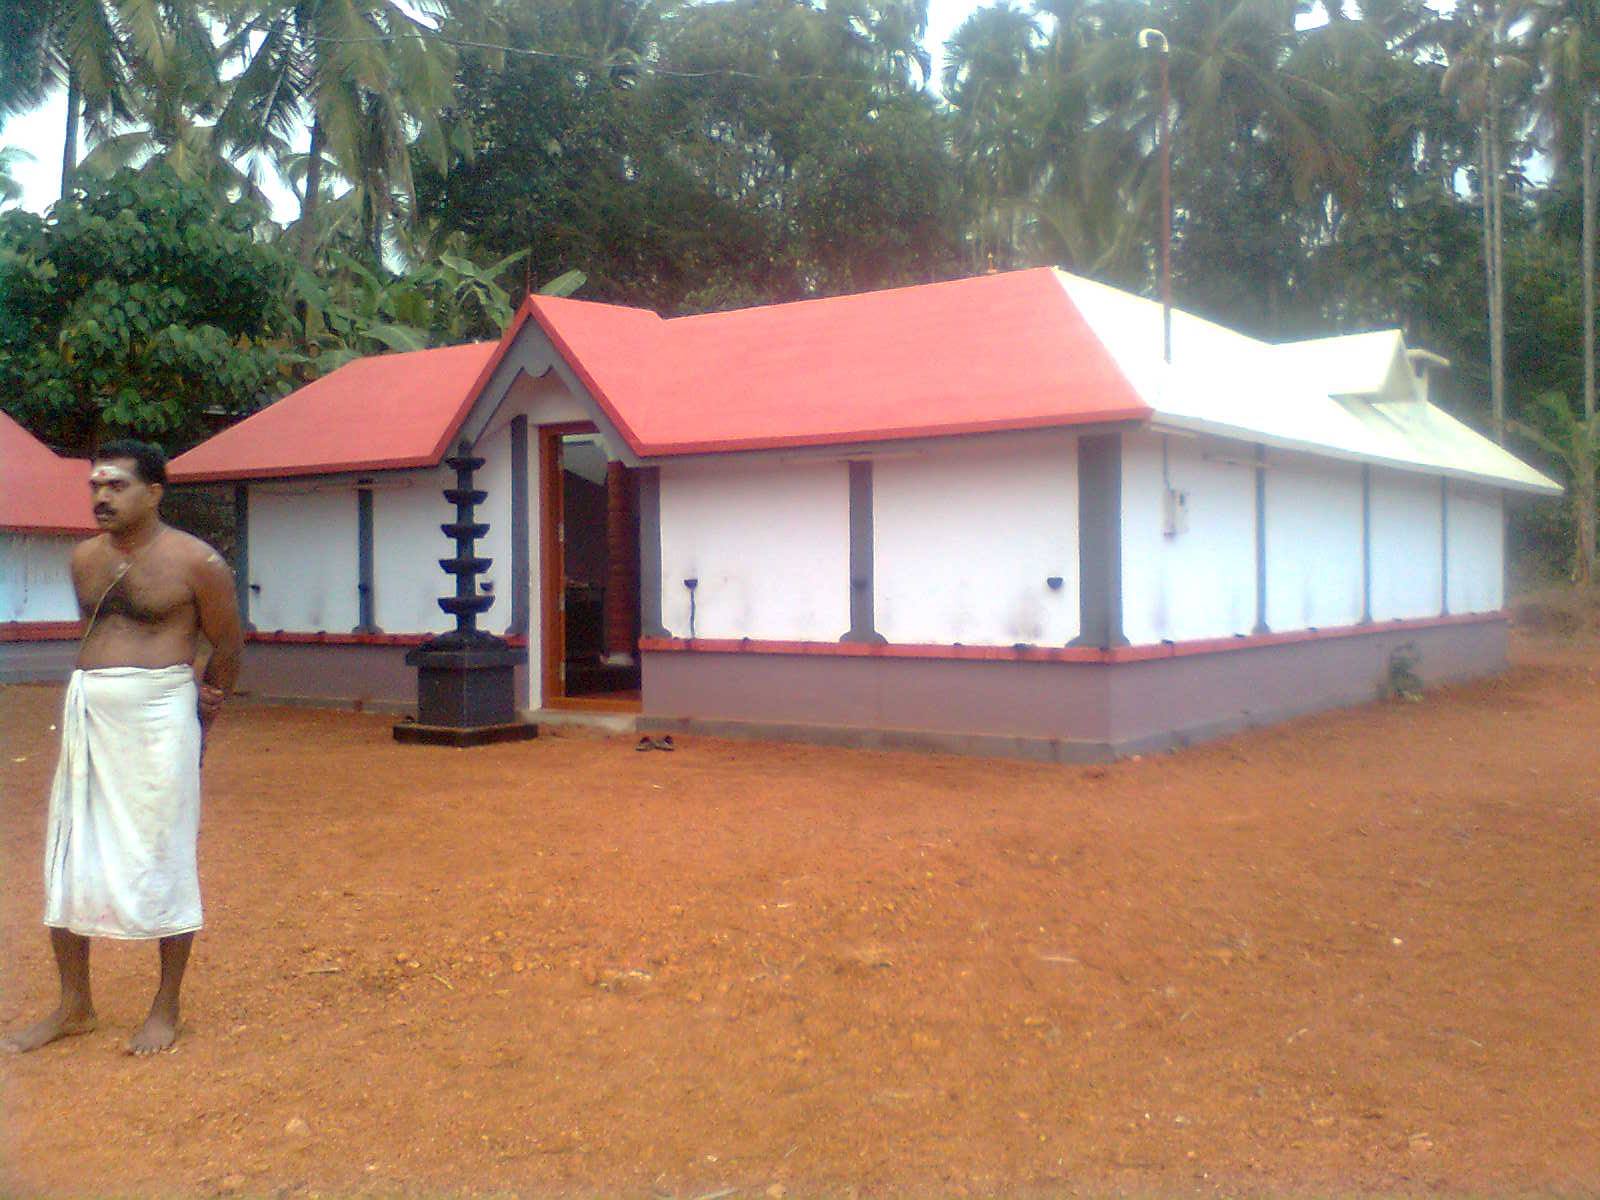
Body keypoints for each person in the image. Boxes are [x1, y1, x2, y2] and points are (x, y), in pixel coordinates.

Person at [2, 439, 242, 1056]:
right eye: (96, 486)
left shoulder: (199, 563)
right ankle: (74, 1005)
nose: (102, 497)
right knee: (69, 854)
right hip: (90, 713)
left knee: (161, 850)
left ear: (155, 492)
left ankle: (167, 1005)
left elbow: (227, 645)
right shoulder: (83, 558)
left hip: (160, 717)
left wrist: (206, 709)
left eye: (117, 486)